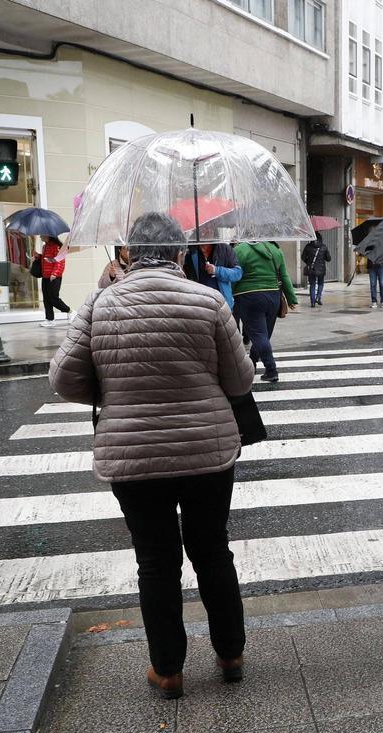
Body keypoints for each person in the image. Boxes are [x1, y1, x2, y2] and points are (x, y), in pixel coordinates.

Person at [49, 212, 255, 699]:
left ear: (129, 253)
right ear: (181, 253)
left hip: (133, 456)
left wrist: (115, 386)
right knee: (212, 550)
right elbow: (241, 380)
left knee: (156, 562)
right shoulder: (207, 301)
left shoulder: (101, 303)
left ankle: (168, 669)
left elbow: (63, 379)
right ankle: (230, 653)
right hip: (207, 452)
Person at [234, 241, 297, 383]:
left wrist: (229, 294)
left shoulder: (240, 250)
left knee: (259, 335)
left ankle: (271, 369)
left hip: (249, 295)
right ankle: (252, 363)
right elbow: (284, 275)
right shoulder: (275, 250)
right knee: (264, 335)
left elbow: (235, 275)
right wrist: (291, 297)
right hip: (273, 295)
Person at [185, 243, 243, 309]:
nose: (205, 233)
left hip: (222, 304)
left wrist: (217, 270)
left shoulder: (224, 249)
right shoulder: (191, 250)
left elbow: (237, 273)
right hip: (200, 304)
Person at [38, 235, 71, 327]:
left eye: (42, 234)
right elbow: (47, 260)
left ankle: (69, 311)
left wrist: (55, 273)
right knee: (46, 299)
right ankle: (50, 319)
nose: (40, 236)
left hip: (54, 277)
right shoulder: (45, 246)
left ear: (48, 236)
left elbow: (60, 261)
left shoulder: (57, 247)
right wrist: (38, 256)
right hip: (45, 276)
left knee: (53, 298)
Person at [301, 233, 331, 308]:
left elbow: (303, 257)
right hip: (321, 269)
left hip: (311, 269)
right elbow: (329, 259)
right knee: (320, 284)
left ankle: (312, 302)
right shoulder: (324, 247)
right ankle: (318, 297)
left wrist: (309, 262)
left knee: (312, 285)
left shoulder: (308, 247)